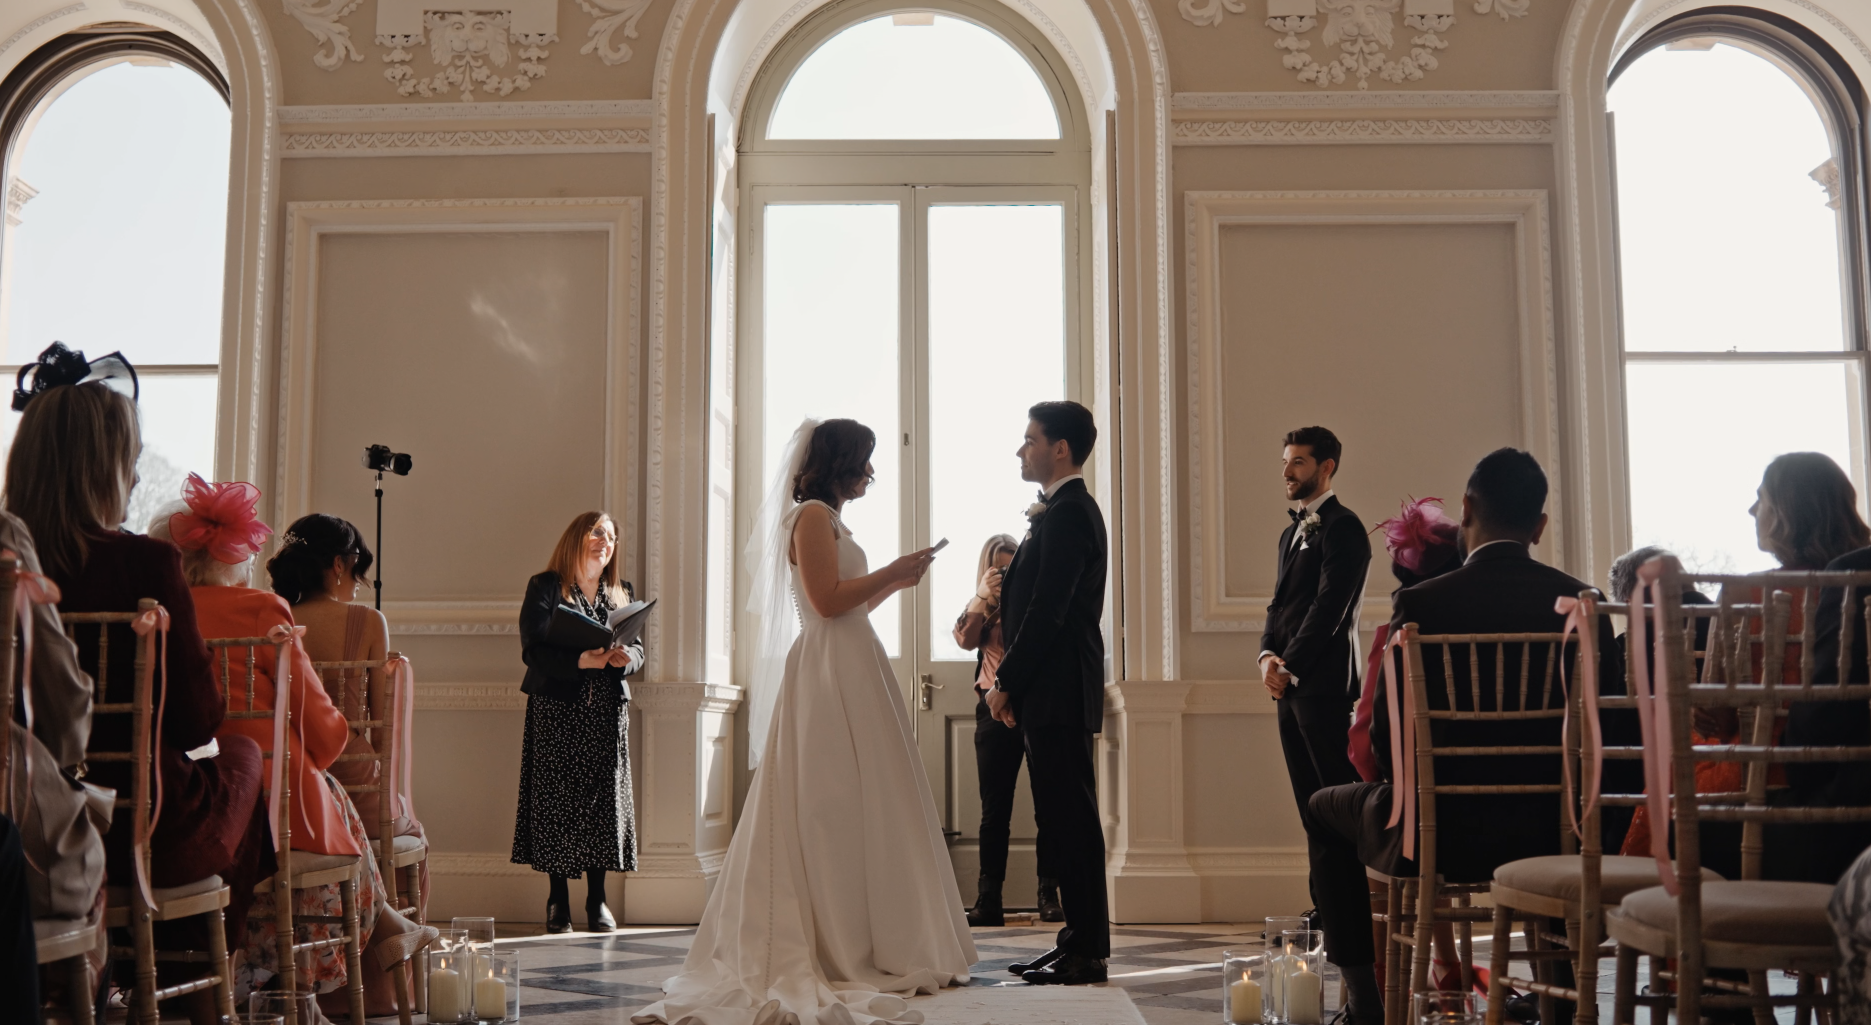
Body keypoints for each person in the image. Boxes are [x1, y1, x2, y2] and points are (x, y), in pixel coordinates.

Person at [634, 418, 971, 1025]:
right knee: (828, 802)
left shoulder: (830, 518)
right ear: (841, 462)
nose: (871, 472)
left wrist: (896, 583)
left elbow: (851, 601)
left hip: (850, 660)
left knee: (862, 802)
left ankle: (868, 935)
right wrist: (893, 570)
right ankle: (832, 940)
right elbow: (824, 602)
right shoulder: (812, 514)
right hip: (826, 669)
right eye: (865, 461)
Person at [4, 344, 274, 1022]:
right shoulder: (147, 563)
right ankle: (206, 990)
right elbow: (197, 721)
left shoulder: (11, 566)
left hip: (23, 821)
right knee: (245, 757)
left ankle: (135, 977)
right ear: (104, 469)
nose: (132, 479)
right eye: (128, 461)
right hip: (139, 830)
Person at [1307, 448, 1621, 1025]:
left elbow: (1383, 740)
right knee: (1553, 814)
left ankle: (1365, 1005)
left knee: (1321, 809)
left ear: (1468, 507)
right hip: (1556, 835)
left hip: (1439, 835)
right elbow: (1616, 735)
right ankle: (1559, 1003)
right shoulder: (1586, 605)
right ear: (1541, 526)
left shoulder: (1422, 603)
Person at [149, 480, 435, 1013]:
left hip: (185, 801)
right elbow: (326, 735)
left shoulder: (160, 617)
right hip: (277, 809)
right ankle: (373, 938)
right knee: (318, 776)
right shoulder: (263, 610)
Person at [983, 400, 1111, 986]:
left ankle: (1088, 950)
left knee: (1073, 821)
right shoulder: (1060, 512)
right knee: (1062, 822)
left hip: (1058, 689)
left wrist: (1007, 681)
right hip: (1051, 691)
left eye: (1029, 439)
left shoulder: (1067, 515)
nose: (1021, 449)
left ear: (1060, 448)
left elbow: (1046, 611)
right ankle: (1075, 942)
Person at [268, 514, 429, 923]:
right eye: (357, 563)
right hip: (353, 778)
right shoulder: (368, 620)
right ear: (338, 564)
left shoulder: (275, 618)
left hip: (289, 785)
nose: (360, 578)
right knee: (416, 837)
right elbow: (380, 726)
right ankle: (399, 961)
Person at [1257, 427, 1371, 975]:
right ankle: (1325, 908)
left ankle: (1346, 913)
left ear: (1326, 468)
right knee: (1310, 807)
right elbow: (1278, 606)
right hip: (1289, 683)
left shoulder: (1344, 528)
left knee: (1331, 805)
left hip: (1322, 688)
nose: (1287, 472)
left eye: (1298, 462)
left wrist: (1291, 666)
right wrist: (1265, 657)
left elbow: (1331, 609)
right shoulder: (1291, 534)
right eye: (1285, 461)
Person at [511, 511, 642, 933]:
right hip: (556, 708)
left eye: (612, 536)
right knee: (555, 803)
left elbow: (639, 651)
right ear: (577, 537)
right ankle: (557, 900)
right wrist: (581, 659)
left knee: (602, 804)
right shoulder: (545, 586)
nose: (605, 541)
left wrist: (625, 660)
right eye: (597, 531)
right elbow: (533, 649)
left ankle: (597, 900)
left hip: (606, 710)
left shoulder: (622, 592)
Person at [953, 533, 1061, 926]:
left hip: (1034, 707)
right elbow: (965, 639)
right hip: (991, 712)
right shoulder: (980, 609)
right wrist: (982, 597)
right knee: (994, 810)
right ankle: (989, 898)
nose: (1006, 574)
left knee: (1048, 805)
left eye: (1013, 566)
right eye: (998, 568)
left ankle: (1049, 893)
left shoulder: (1035, 603)